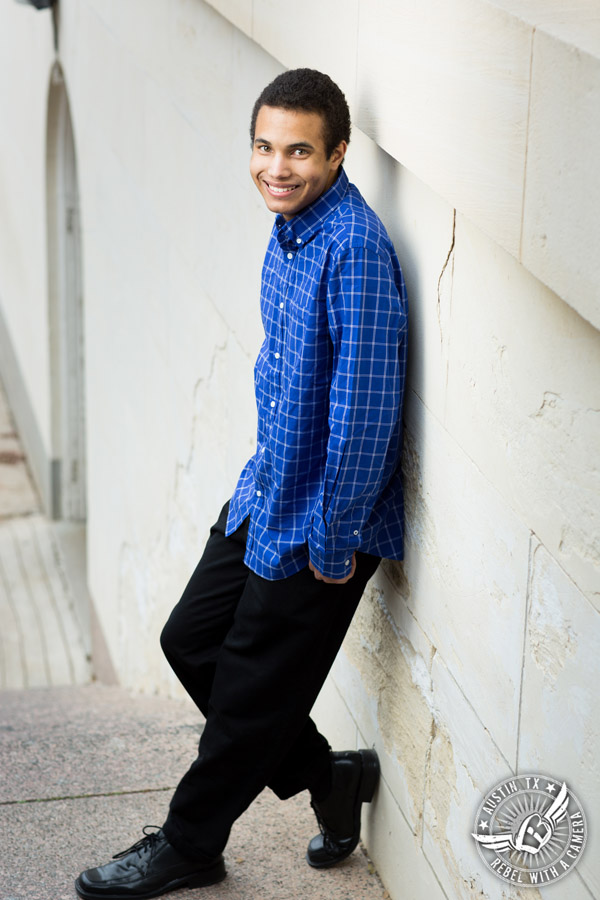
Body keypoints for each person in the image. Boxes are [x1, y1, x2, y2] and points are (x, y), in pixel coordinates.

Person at [75, 67, 408, 899]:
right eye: (265, 146)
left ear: (337, 153)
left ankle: (190, 843)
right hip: (270, 491)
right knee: (191, 640)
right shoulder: (291, 228)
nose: (277, 166)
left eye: (300, 150)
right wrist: (255, 484)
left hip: (324, 520)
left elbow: (364, 417)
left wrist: (331, 541)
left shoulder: (355, 251)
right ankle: (326, 778)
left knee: (250, 692)